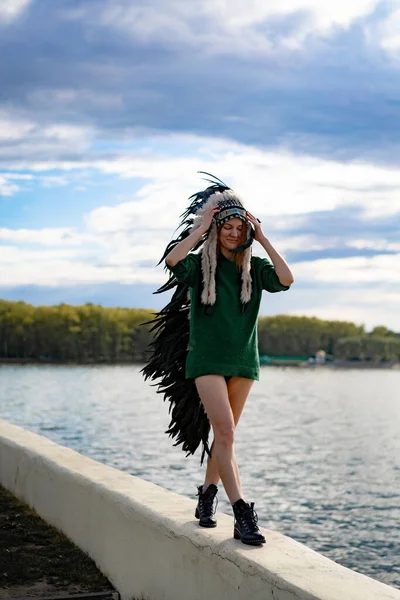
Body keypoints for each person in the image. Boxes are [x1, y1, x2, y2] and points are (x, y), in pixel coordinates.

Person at [142, 174, 294, 546]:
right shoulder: (198, 266)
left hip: (243, 360)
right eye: (226, 225)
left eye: (238, 226)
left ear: (247, 231)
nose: (232, 231)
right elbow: (173, 258)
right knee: (225, 433)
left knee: (224, 437)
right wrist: (201, 229)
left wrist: (263, 238)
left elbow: (287, 279)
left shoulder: (255, 270)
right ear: (217, 228)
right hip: (207, 359)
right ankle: (242, 513)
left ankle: (207, 498)